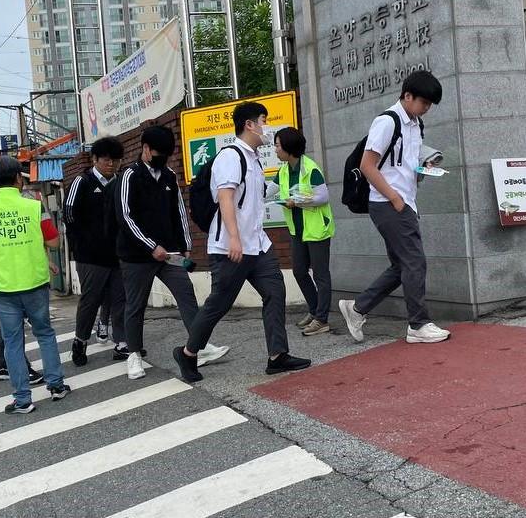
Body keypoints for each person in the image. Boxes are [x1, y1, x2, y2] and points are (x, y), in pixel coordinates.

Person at [173, 101, 312, 383]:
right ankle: (188, 353)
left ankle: (277, 356)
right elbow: (225, 198)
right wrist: (234, 238)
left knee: (275, 292)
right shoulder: (230, 156)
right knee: (219, 303)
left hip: (258, 245)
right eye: (263, 120)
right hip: (230, 247)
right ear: (249, 124)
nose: (266, 126)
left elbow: (253, 200)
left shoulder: (253, 158)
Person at [338, 71, 450, 345]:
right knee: (415, 262)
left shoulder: (415, 124)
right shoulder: (387, 122)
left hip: (404, 201)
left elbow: (403, 163)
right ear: (407, 95)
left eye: (429, 104)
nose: (426, 108)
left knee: (402, 266)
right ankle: (418, 324)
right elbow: (367, 166)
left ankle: (357, 308)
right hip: (389, 203)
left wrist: (425, 168)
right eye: (423, 102)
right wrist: (395, 198)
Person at [115, 125, 228, 380]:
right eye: (157, 153)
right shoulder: (129, 176)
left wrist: (185, 244)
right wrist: (150, 246)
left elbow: (179, 212)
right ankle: (133, 355)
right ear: (145, 149)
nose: (161, 158)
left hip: (169, 253)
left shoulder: (168, 175)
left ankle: (198, 347)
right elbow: (124, 216)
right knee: (135, 305)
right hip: (136, 255)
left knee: (186, 293)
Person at [0, 156, 70, 414]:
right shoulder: (34, 205)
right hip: (35, 282)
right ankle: (56, 386)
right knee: (44, 333)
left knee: (13, 342)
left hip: (2, 287)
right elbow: (55, 242)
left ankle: (23, 399)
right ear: (17, 180)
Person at [64, 136, 128, 365]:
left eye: (116, 160)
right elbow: (69, 215)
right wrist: (81, 245)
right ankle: (80, 340)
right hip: (90, 256)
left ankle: (122, 343)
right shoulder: (82, 182)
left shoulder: (121, 181)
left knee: (121, 299)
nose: (111, 164)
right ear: (95, 159)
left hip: (119, 254)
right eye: (106, 159)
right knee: (91, 300)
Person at [274, 127, 335, 336]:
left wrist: (297, 201)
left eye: (278, 145)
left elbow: (323, 196)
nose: (275, 149)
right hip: (297, 230)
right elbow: (267, 191)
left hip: (317, 228)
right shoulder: (283, 171)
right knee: (300, 271)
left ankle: (322, 319)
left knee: (320, 274)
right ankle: (315, 309)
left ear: (289, 148)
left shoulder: (310, 168)